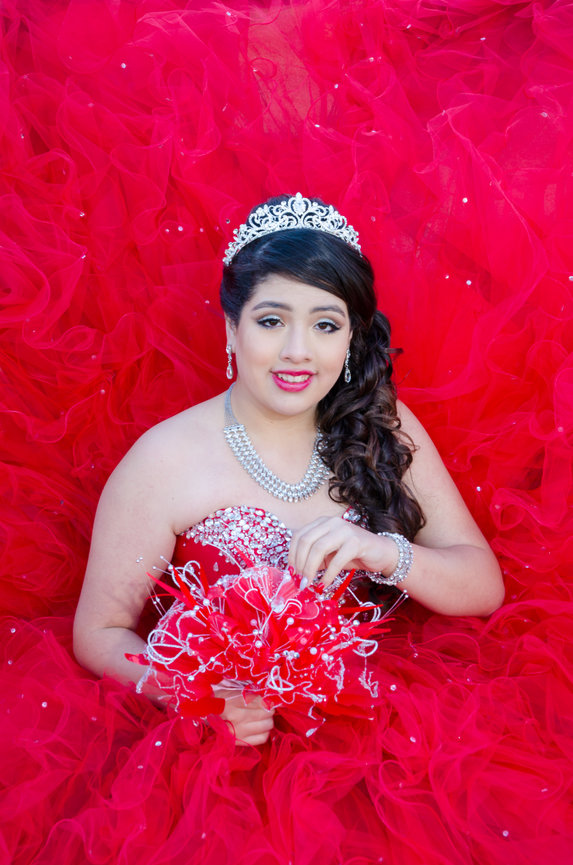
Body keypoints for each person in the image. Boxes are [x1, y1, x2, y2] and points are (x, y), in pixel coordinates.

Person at [73, 192, 504, 747]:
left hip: (378, 723)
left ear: (351, 337)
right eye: (272, 320)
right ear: (232, 329)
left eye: (326, 325)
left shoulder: (383, 423)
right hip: (224, 744)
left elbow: (482, 585)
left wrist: (383, 553)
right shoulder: (164, 460)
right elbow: (100, 632)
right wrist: (192, 693)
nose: (298, 351)